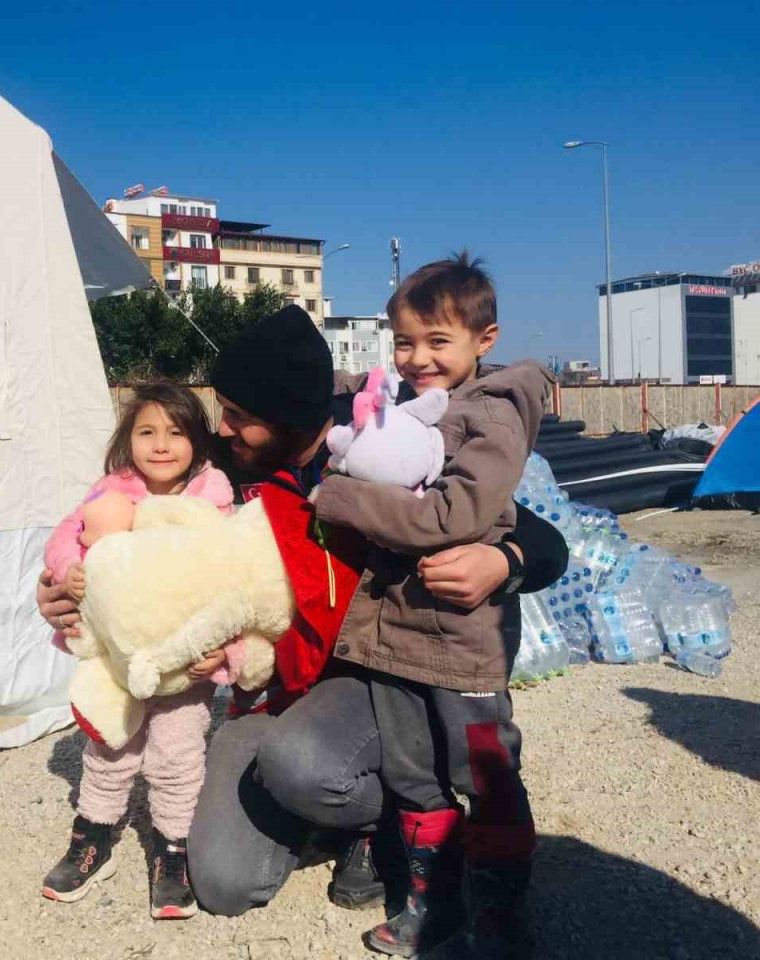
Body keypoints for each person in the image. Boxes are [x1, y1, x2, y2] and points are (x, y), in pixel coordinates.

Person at [35, 307, 567, 932]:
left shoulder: (380, 450)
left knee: (300, 765)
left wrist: (504, 560)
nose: (222, 429)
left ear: (286, 415)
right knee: (225, 882)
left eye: (239, 415)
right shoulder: (227, 468)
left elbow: (542, 540)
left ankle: (382, 822)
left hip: (369, 681)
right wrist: (63, 587)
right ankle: (339, 813)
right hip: (270, 687)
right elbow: (117, 511)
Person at [310, 253, 544, 959]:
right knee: (413, 775)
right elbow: (349, 392)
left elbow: (453, 515)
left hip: (465, 643)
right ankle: (432, 900)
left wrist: (340, 496)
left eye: (438, 341)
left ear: (485, 339)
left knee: (485, 771)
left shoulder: (494, 413)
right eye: (405, 342)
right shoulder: (407, 404)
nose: (417, 359)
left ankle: (499, 910)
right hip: (398, 636)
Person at [39, 382, 234, 920]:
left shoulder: (212, 503)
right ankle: (95, 834)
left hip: (181, 666)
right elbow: (64, 537)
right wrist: (67, 569)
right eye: (147, 432)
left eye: (176, 432)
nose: (161, 445)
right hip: (118, 661)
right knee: (110, 745)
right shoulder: (110, 494)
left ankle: (172, 850)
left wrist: (223, 652)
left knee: (177, 755)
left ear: (197, 441)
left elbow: (231, 584)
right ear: (128, 441)